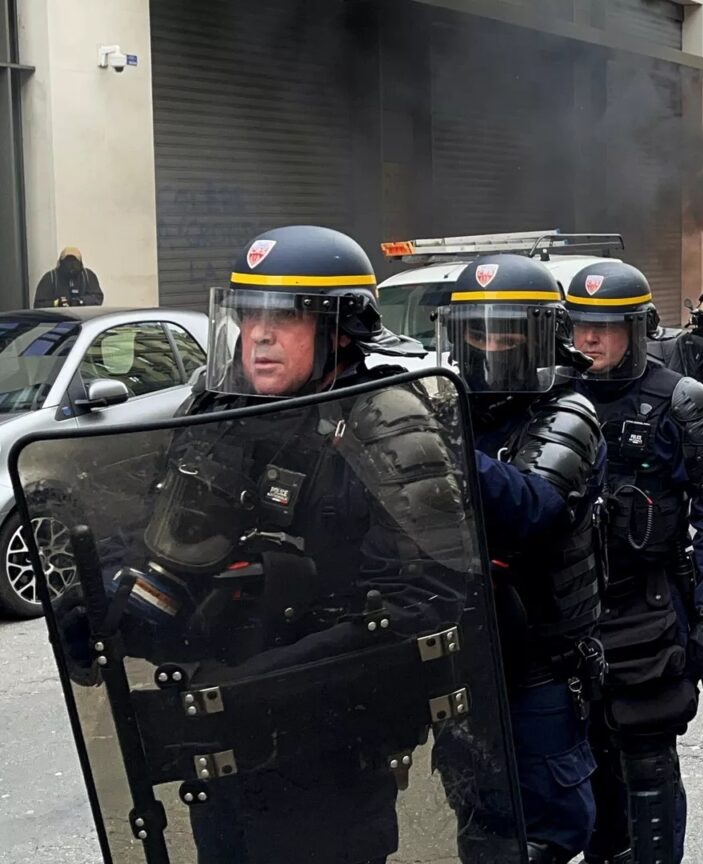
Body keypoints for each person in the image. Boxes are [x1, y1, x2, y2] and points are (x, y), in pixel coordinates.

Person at [51, 225, 508, 862]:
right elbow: (160, 537)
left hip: (327, 760)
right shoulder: (221, 411)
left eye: (286, 316)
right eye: (249, 315)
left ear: (341, 328)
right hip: (217, 752)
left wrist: (272, 684)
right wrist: (106, 601)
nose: (259, 334)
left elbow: (429, 605)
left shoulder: (386, 421)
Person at [432, 254, 606, 863]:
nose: (490, 348)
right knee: (478, 825)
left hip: (537, 669)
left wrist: (437, 445)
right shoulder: (451, 411)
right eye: (475, 333)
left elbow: (532, 509)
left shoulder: (568, 414)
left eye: (508, 332)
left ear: (544, 335)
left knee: (546, 834)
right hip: (461, 665)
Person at [566, 261, 703, 864]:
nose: (588, 341)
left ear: (636, 329)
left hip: (649, 612)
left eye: (604, 328)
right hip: (568, 616)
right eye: (580, 326)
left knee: (647, 764)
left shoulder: (681, 404)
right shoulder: (553, 399)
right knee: (581, 766)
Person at [32, 246, 104, 308]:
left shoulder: (88, 276)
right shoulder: (50, 278)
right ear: (60, 262)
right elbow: (39, 304)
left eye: (74, 261)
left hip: (83, 320)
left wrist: (80, 302)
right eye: (68, 261)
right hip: (59, 320)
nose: (71, 265)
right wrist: (56, 303)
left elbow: (97, 298)